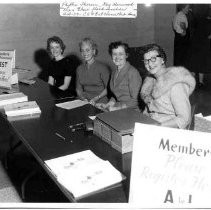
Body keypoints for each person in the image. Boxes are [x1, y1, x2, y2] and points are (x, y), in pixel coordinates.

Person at [140, 43, 196, 129]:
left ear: (162, 60)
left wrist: (156, 127)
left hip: (169, 130)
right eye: (146, 61)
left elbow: (184, 119)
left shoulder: (176, 84)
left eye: (153, 59)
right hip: (151, 125)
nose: (149, 64)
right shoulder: (150, 81)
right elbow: (148, 109)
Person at [98, 41, 142, 111]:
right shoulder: (113, 73)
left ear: (126, 55)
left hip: (131, 111)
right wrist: (109, 104)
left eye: (120, 54)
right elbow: (117, 94)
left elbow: (136, 101)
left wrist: (117, 108)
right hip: (118, 109)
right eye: (114, 54)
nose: (117, 57)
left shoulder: (133, 73)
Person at [76, 37, 110, 105]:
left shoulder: (103, 68)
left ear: (93, 51)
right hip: (85, 101)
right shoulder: (79, 69)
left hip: (100, 101)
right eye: (82, 50)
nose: (85, 53)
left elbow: (109, 88)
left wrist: (96, 98)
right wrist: (83, 98)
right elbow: (78, 89)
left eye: (87, 50)